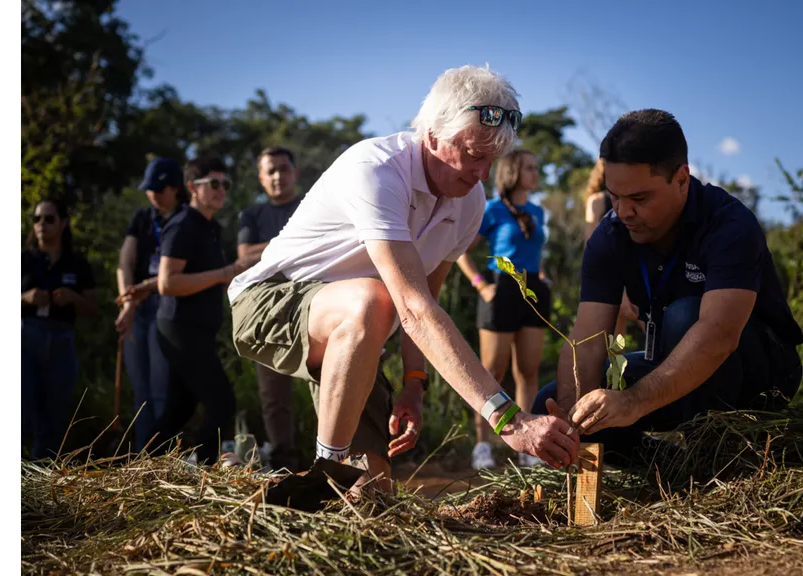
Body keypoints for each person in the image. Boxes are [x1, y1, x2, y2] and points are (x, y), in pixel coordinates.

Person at [228, 65, 579, 493]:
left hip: (356, 332)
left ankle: (327, 482)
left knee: (374, 495)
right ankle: (325, 473)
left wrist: (414, 383)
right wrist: (509, 419)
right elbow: (412, 310)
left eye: (492, 160)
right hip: (271, 299)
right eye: (473, 155)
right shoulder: (377, 169)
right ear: (432, 136)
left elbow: (427, 299)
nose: (483, 174)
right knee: (374, 301)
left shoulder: (470, 202)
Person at [532, 109, 803, 463]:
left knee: (684, 316)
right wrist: (573, 421)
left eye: (639, 199)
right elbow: (587, 341)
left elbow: (719, 335)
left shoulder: (729, 224)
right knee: (548, 407)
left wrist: (633, 401)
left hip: (760, 374)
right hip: (672, 364)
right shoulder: (610, 235)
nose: (623, 212)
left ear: (681, 180)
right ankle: (673, 467)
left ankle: (718, 454)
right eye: (614, 196)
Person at [150, 157, 257, 464]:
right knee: (222, 402)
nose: (221, 190)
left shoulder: (210, 227)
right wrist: (224, 273)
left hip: (198, 328)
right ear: (192, 188)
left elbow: (209, 277)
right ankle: (207, 468)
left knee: (180, 408)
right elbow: (167, 283)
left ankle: (143, 464)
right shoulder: (183, 224)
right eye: (213, 183)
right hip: (181, 327)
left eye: (225, 184)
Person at [454, 149, 551, 470]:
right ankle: (482, 445)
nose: (536, 173)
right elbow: (461, 251)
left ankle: (528, 445)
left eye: (536, 167)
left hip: (532, 290)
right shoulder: (492, 209)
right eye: (529, 168)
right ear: (513, 172)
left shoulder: (537, 211)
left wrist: (542, 276)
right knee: (491, 372)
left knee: (528, 371)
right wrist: (481, 285)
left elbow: (534, 250)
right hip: (501, 289)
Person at [237, 147, 304, 471]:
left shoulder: (310, 205)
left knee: (327, 383)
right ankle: (282, 463)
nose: (278, 176)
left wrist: (270, 248)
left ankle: (337, 457)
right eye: (270, 170)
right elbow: (245, 256)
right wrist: (290, 240)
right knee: (273, 393)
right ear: (261, 178)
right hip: (267, 309)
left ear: (295, 173)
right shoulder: (251, 215)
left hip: (311, 300)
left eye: (284, 169)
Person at [114, 157, 186, 449]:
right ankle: (144, 455)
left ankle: (161, 455)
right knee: (140, 391)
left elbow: (177, 274)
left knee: (160, 388)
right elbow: (125, 263)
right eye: (149, 189)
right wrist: (127, 304)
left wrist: (142, 293)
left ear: (175, 187)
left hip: (166, 306)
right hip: (136, 307)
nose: (153, 194)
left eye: (159, 188)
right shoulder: (142, 218)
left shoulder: (185, 218)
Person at [22, 199, 98, 460]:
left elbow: (92, 308)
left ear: (63, 223)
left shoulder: (77, 263)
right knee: (20, 413)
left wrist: (73, 298)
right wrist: (26, 298)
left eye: (49, 219)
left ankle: (39, 479)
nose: (41, 224)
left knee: (53, 421)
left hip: (62, 341)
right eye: (37, 219)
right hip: (25, 338)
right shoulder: (22, 260)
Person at [584, 158, 641, 338]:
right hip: (612, 273)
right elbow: (591, 243)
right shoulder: (597, 200)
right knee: (613, 341)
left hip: (635, 269)